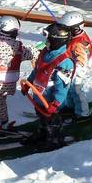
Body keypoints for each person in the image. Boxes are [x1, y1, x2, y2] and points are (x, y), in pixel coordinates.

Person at [20, 22, 76, 150]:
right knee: (42, 117)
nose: (46, 42)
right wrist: (28, 84)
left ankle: (54, 139)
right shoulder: (45, 53)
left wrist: (56, 103)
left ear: (57, 40)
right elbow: (37, 70)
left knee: (52, 120)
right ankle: (43, 133)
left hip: (51, 102)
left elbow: (62, 86)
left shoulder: (64, 61)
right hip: (39, 97)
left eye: (49, 39)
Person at [57, 11, 92, 118]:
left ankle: (83, 112)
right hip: (72, 66)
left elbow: (82, 60)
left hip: (79, 68)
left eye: (66, 29)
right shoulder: (74, 37)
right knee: (68, 87)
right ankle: (70, 106)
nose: (63, 31)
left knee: (76, 89)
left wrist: (73, 70)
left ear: (75, 28)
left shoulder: (79, 43)